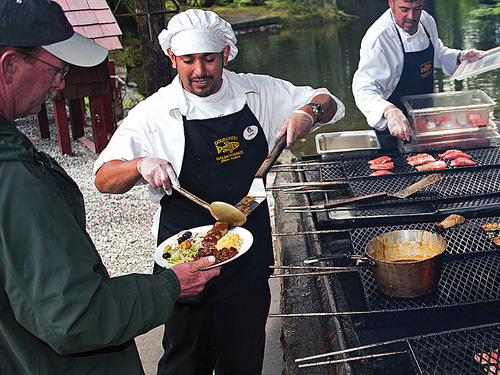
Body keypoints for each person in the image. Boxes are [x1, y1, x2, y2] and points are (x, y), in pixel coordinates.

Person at [93, 8, 345, 374]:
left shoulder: (257, 91)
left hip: (249, 257)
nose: (199, 71)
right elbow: (103, 177)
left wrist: (308, 113)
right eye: (188, 60)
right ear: (171, 57)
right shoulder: (155, 113)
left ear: (226, 53)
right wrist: (139, 165)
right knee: (185, 361)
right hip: (187, 262)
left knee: (243, 361)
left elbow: (328, 100)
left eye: (209, 59)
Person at [0, 1, 220, 374]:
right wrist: (170, 286)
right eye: (57, 69)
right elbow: (77, 317)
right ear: (8, 66)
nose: (61, 82)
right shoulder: (14, 177)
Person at [352, 0, 486, 150]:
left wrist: (460, 57)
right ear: (391, 3)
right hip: (392, 130)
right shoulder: (379, 38)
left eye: (417, 9)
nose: (412, 16)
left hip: (425, 124)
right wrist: (389, 111)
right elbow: (363, 88)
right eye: (404, 9)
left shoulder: (426, 21)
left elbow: (437, 53)